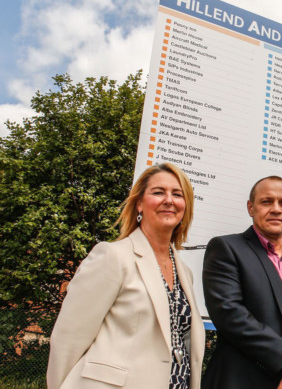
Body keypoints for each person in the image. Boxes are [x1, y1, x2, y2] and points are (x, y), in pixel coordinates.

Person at [47, 162, 205, 388]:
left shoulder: (184, 273)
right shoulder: (112, 256)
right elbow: (68, 340)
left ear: (185, 206)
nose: (169, 200)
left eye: (177, 194)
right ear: (139, 203)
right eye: (158, 192)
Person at [202, 175, 282, 389]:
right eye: (266, 201)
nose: (276, 209)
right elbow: (229, 312)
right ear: (250, 207)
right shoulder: (226, 249)